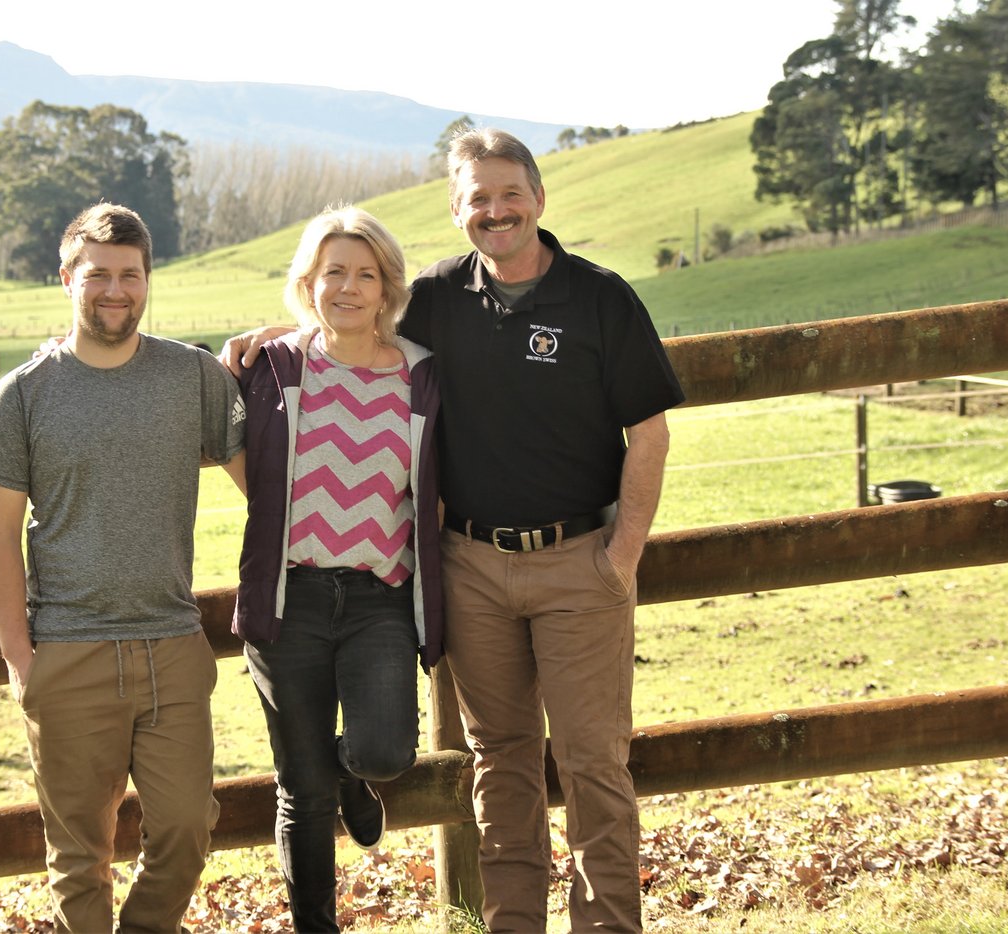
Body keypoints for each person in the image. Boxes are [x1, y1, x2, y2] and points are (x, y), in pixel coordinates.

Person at [223, 129, 682, 933]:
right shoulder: (436, 296)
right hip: (468, 566)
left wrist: (620, 558)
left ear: (539, 198)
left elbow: (650, 431)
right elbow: (347, 311)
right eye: (478, 198)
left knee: (592, 766)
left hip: (579, 562)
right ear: (457, 210)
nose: (496, 212)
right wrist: (268, 338)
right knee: (500, 763)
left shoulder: (601, 297)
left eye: (510, 194)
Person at [0, 202, 246, 933]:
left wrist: (286, 340)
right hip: (69, 650)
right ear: (66, 278)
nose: (115, 290)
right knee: (79, 857)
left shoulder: (193, 377)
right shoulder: (22, 396)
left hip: (173, 647)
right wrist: (21, 658)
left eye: (130, 274)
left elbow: (269, 492)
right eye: (98, 275)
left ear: (148, 279)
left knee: (185, 829)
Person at [232, 205, 442, 932]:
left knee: (385, 752)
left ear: (387, 288)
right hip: (290, 599)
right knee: (303, 789)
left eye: (366, 274)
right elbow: (228, 448)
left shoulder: (423, 377)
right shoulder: (273, 367)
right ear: (307, 283)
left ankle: (356, 773)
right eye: (334, 273)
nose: (349, 288)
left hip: (380, 597)